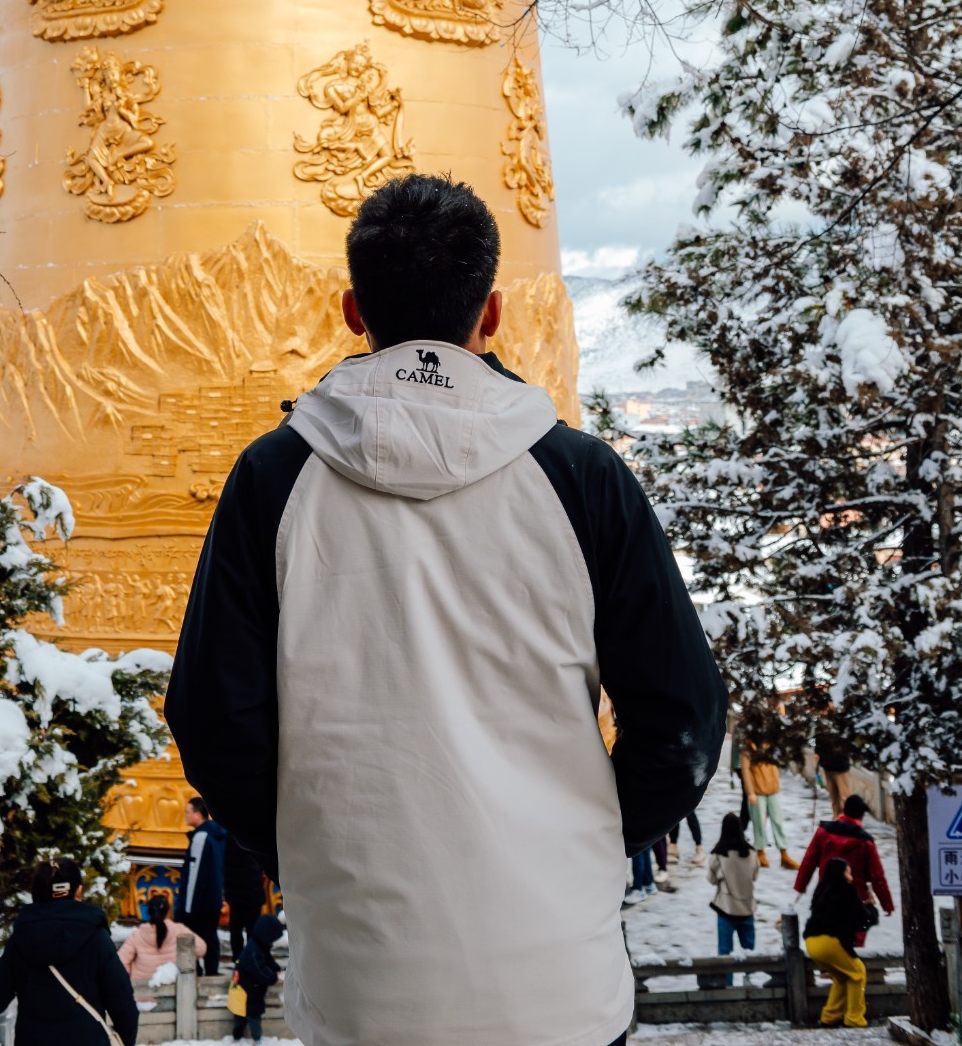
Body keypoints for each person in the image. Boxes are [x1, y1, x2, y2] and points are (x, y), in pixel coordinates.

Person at [166, 172, 729, 1046]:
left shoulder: (273, 480)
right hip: (559, 985)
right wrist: (578, 845)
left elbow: (212, 719)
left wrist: (313, 851)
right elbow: (682, 717)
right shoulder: (581, 478)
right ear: (491, 311)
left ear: (353, 310)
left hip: (361, 983)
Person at [0, 857, 139, 1046]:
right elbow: (122, 1002)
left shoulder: (21, 939)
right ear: (78, 891)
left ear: (36, 892)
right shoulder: (96, 937)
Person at [795, 793, 894, 940]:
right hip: (856, 899)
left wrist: (800, 886)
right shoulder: (865, 842)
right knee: (851, 941)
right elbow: (877, 876)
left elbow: (808, 861)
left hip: (825, 895)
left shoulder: (823, 832)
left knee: (827, 937)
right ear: (862, 816)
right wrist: (887, 904)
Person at [804, 856, 870, 1028]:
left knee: (842, 977)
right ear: (841, 873)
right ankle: (854, 1019)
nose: (851, 876)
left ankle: (829, 1016)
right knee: (858, 973)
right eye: (848, 872)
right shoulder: (846, 889)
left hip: (812, 942)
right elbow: (862, 921)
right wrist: (869, 907)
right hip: (830, 942)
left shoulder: (821, 889)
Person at [707, 812, 758, 987]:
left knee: (725, 953)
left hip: (726, 909)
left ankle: (727, 985)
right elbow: (755, 875)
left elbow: (711, 879)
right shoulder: (751, 854)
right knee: (749, 951)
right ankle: (749, 980)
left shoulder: (718, 855)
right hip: (747, 909)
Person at [116, 892, 210, 983]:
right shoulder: (179, 930)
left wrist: (131, 976)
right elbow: (202, 948)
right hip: (175, 992)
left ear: (149, 912)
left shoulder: (137, 935)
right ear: (168, 911)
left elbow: (120, 963)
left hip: (142, 994)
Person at [179, 795, 226, 976]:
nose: (186, 816)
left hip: (199, 903)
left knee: (196, 938)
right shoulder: (215, 835)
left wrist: (188, 909)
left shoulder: (200, 838)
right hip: (213, 899)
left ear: (198, 814)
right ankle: (212, 971)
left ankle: (196, 973)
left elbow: (195, 874)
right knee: (210, 937)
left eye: (188, 812)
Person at [739, 740, 798, 870]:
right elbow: (746, 772)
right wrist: (750, 792)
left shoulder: (772, 747)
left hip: (773, 790)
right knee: (758, 822)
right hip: (757, 791)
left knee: (778, 821)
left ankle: (784, 853)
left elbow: (778, 764)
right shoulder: (748, 750)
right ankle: (760, 851)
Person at [229, 911, 283, 1042]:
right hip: (246, 992)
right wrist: (273, 978)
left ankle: (244, 1037)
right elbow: (258, 969)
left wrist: (276, 968)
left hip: (253, 990)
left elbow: (267, 960)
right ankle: (247, 1038)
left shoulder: (260, 945)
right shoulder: (253, 951)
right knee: (247, 1017)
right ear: (267, 935)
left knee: (246, 1015)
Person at [224, 834, 267, 962]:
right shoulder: (253, 837)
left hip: (236, 892)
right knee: (252, 929)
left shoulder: (230, 837)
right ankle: (251, 958)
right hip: (252, 891)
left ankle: (238, 958)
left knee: (236, 929)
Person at [814, 730, 854, 819]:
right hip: (828, 767)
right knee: (833, 796)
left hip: (840, 768)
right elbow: (819, 744)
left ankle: (850, 819)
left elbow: (846, 745)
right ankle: (836, 817)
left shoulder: (839, 728)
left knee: (845, 796)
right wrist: (818, 755)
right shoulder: (822, 728)